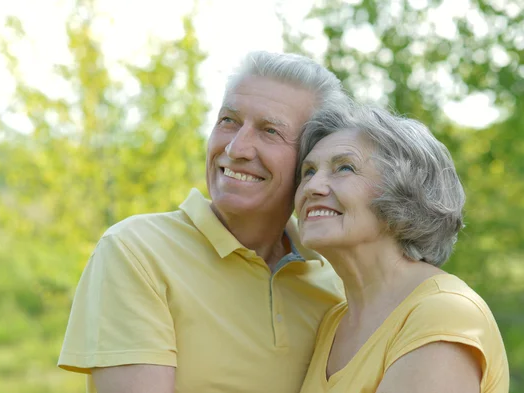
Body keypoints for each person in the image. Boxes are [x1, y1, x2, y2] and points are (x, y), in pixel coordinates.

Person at [58, 51, 350, 393]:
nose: (237, 147)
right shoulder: (135, 250)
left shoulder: (339, 281)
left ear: (311, 163)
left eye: (270, 131)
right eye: (228, 120)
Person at [294, 105, 509, 393]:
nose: (313, 186)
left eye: (344, 167)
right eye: (308, 171)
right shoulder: (333, 322)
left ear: (404, 193)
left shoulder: (443, 313)